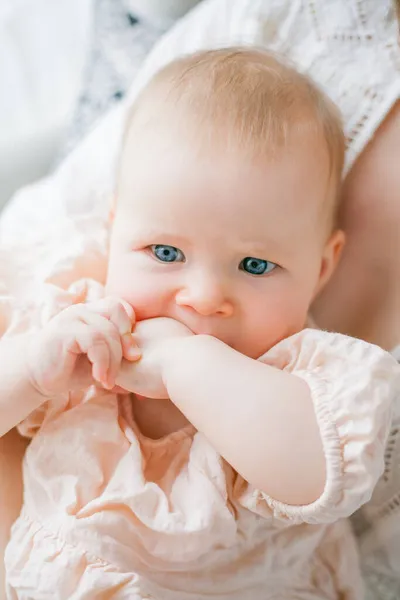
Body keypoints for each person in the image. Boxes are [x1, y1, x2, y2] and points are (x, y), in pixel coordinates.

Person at [0, 48, 398, 599]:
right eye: (164, 252)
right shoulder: (77, 326)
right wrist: (32, 371)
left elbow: (316, 476)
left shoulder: (301, 381)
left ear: (321, 268)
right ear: (114, 230)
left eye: (255, 266)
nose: (205, 296)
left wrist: (187, 365)